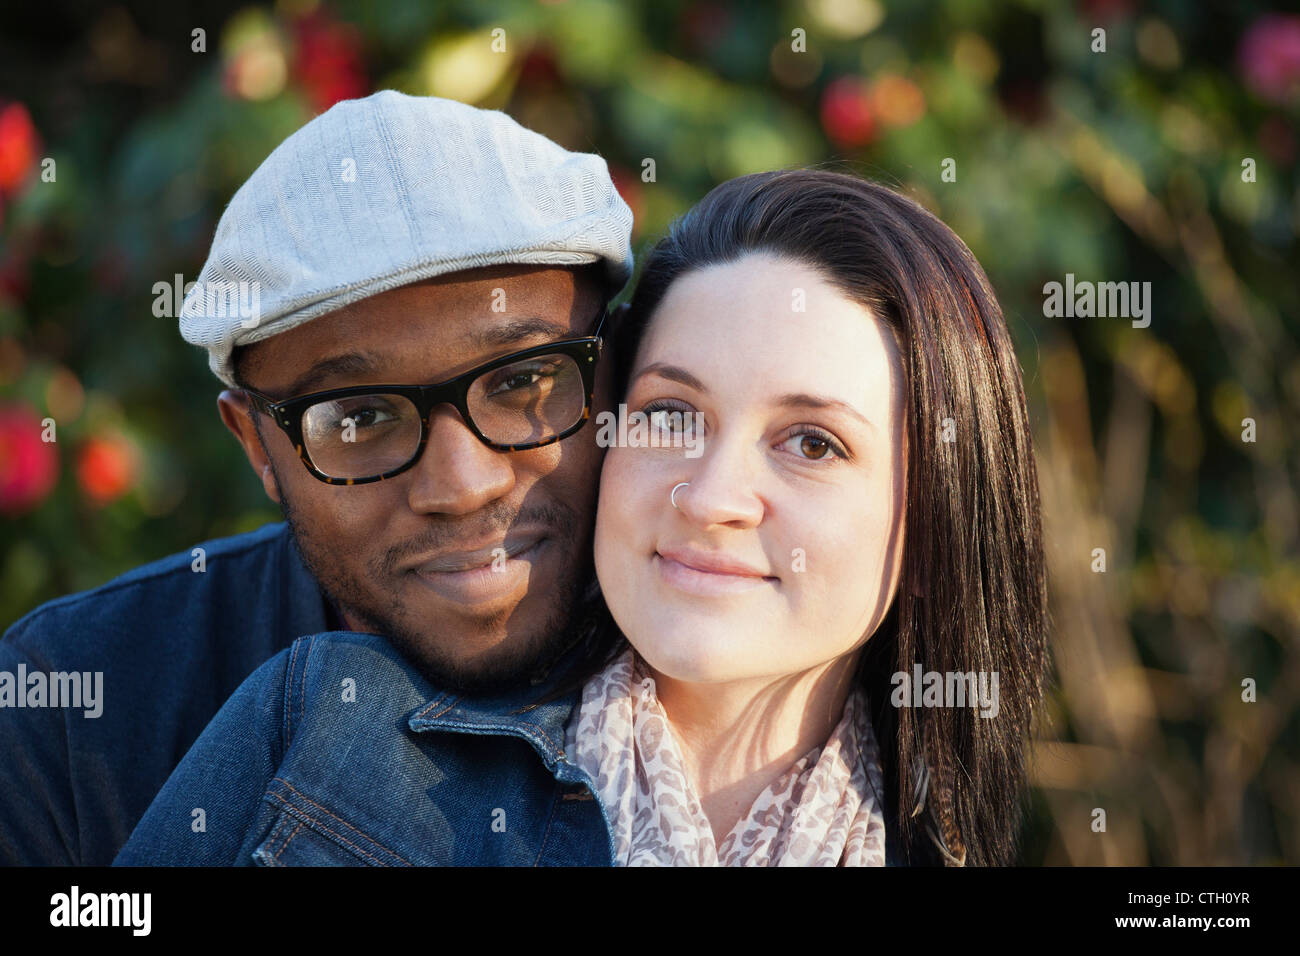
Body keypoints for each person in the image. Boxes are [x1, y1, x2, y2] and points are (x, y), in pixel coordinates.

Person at [115, 169, 1048, 867]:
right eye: (672, 416)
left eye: (811, 443)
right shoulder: (334, 752)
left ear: (930, 526)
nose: (712, 496)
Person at [0, 90, 633, 865]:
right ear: (256, 446)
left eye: (524, 381)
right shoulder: (70, 705)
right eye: (361, 419)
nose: (464, 486)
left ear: (616, 372)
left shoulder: (742, 656)